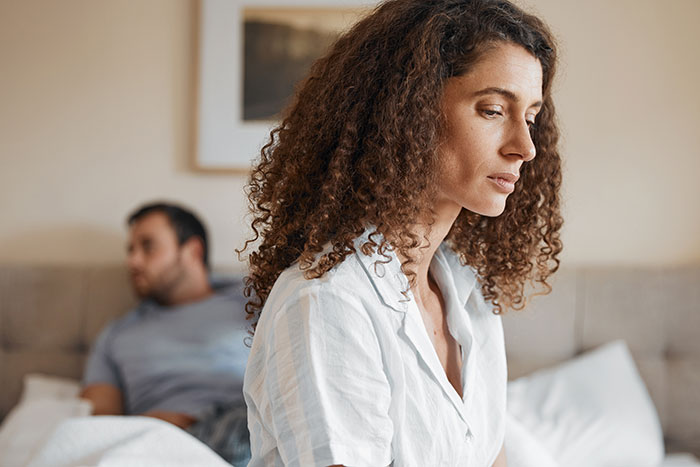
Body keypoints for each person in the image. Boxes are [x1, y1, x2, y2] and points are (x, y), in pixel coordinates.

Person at [240, 0, 563, 465]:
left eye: (530, 117)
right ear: (408, 109)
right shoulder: (328, 302)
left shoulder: (471, 301)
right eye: (493, 110)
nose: (525, 147)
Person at [80, 202, 251, 465]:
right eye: (131, 250)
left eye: (148, 246)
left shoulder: (252, 299)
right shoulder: (117, 334)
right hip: (165, 440)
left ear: (192, 251)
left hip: (247, 422)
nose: (132, 261)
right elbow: (101, 425)